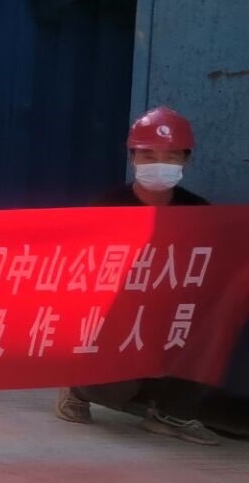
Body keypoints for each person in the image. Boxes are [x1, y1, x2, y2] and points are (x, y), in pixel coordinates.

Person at [57, 106, 224, 444]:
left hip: (171, 317)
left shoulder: (198, 211)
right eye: (148, 155)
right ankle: (77, 388)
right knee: (116, 389)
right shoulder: (108, 207)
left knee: (218, 325)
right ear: (133, 157)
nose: (159, 164)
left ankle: (171, 413)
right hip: (121, 320)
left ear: (186, 161)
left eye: (170, 156)